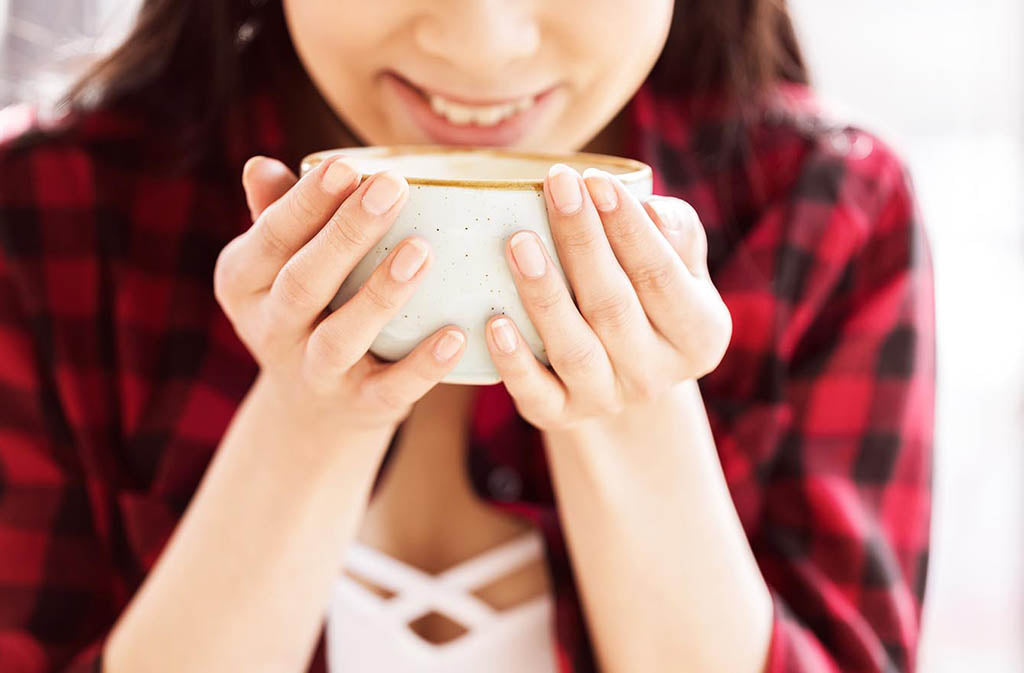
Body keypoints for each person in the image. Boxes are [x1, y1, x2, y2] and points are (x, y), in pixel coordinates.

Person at [0, 1, 936, 672]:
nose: (482, 42)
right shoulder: (46, 216)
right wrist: (307, 417)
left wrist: (635, 410)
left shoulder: (827, 212)